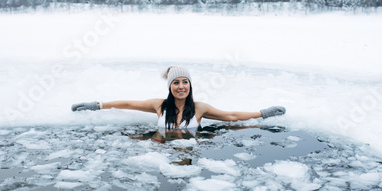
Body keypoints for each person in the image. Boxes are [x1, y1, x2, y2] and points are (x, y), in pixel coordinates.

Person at [71, 66, 285, 129]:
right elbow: (128, 103)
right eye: (176, 82)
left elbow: (230, 115)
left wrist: (263, 113)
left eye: (185, 82)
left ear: (190, 85)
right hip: (162, 151)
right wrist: (96, 105)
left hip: (192, 146)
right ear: (170, 86)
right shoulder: (159, 105)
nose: (181, 86)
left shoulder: (200, 108)